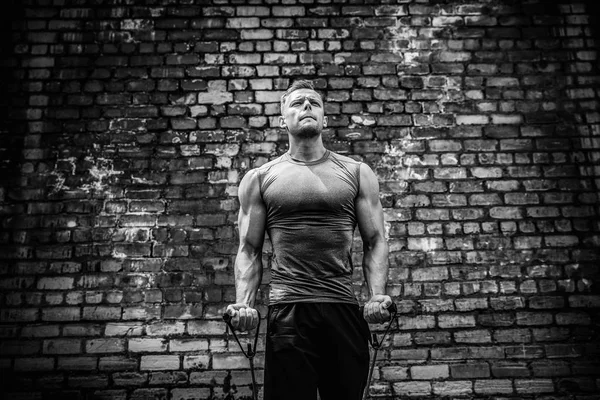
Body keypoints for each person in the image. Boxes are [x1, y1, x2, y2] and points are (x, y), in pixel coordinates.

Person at [225, 80, 393, 400]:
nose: (306, 108)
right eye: (298, 103)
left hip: (342, 309)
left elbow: (375, 241)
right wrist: (244, 304)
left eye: (314, 104)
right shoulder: (260, 178)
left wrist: (376, 296)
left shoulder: (357, 172)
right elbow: (249, 249)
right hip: (288, 313)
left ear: (325, 120)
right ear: (282, 119)